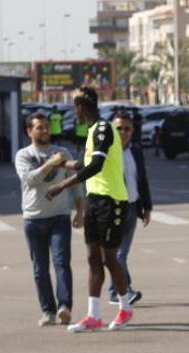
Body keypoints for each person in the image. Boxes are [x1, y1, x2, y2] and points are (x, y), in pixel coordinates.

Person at [45, 86, 134, 333]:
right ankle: (93, 316)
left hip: (111, 201)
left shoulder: (104, 128)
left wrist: (62, 185)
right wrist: (63, 163)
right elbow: (85, 162)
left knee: (109, 258)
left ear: (81, 107)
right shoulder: (93, 131)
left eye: (75, 106)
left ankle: (125, 308)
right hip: (95, 200)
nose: (75, 111)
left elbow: (95, 165)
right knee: (93, 258)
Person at [15, 112, 84, 326]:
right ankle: (48, 311)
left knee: (62, 262)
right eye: (39, 127)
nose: (45, 131)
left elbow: (76, 184)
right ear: (29, 131)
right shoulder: (23, 155)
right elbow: (30, 180)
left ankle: (65, 307)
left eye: (47, 127)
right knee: (40, 268)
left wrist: (81, 211)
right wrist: (51, 164)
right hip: (34, 218)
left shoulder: (62, 152)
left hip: (59, 216)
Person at [107, 112, 153, 306]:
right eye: (119, 128)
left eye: (127, 128)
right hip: (112, 208)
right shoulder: (106, 152)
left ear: (132, 130)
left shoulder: (136, 151)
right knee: (117, 254)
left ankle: (113, 291)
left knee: (121, 254)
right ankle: (126, 289)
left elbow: (141, 179)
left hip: (132, 207)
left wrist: (147, 207)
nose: (123, 132)